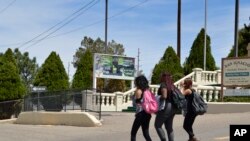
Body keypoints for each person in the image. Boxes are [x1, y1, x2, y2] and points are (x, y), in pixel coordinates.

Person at [155, 73, 176, 141]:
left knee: (157, 125)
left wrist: (157, 98)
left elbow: (164, 96)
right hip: (173, 107)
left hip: (166, 106)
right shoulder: (172, 85)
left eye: (160, 77)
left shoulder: (163, 84)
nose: (159, 78)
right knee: (169, 127)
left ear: (163, 78)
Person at [131, 75, 152, 141]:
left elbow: (135, 104)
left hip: (140, 114)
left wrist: (133, 97)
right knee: (146, 134)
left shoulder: (138, 91)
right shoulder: (148, 90)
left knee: (133, 133)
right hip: (147, 114)